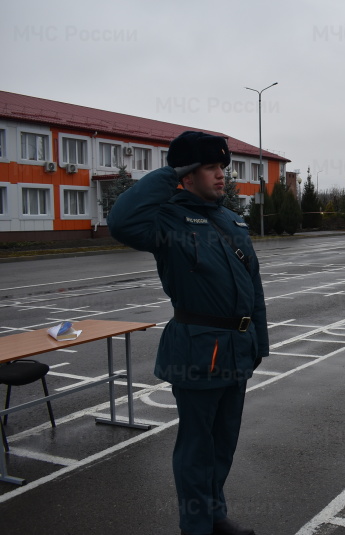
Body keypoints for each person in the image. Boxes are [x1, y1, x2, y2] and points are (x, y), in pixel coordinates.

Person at [108, 131, 268, 535]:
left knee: (223, 443)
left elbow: (254, 287)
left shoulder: (231, 219)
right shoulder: (166, 221)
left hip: (237, 349)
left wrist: (259, 342)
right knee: (197, 447)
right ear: (187, 174)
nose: (221, 176)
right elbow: (121, 221)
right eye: (211, 167)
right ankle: (195, 526)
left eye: (222, 168)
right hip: (199, 351)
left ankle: (214, 515)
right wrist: (169, 173)